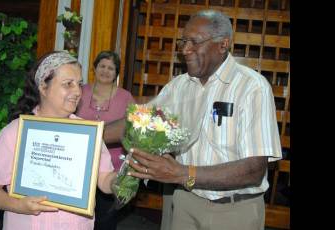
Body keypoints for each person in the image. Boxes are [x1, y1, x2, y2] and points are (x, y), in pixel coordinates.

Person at [104, 10, 282, 230]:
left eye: (194, 42)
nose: (185, 50)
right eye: (183, 41)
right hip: (185, 204)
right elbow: (138, 121)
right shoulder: (180, 85)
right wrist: (89, 134)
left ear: (222, 44)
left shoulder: (252, 88)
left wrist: (182, 173)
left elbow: (254, 170)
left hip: (234, 211)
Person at [0, 51, 117, 230]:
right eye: (68, 84)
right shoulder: (16, 132)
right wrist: (18, 205)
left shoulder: (88, 133)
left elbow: (105, 180)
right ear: (43, 87)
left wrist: (124, 180)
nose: (78, 92)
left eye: (79, 84)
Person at [75, 51, 135, 230]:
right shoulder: (80, 91)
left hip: (111, 167)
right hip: (80, 165)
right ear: (94, 68)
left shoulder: (125, 97)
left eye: (111, 68)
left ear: (116, 73)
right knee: (79, 216)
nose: (106, 71)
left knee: (105, 220)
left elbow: (133, 130)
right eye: (102, 66)